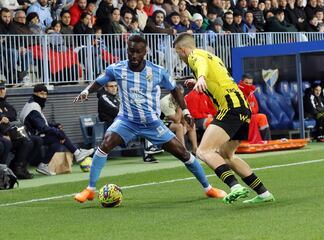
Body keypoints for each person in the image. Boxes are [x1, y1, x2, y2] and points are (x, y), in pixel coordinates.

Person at [73, 35, 226, 203]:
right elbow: (100, 81)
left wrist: (186, 111)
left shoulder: (157, 71)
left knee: (183, 153)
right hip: (127, 121)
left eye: (138, 52)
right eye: (131, 51)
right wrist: (87, 91)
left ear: (145, 52)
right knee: (104, 145)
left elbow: (175, 90)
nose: (134, 55)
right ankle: (90, 189)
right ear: (127, 50)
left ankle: (208, 188)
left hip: (152, 124)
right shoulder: (117, 68)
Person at [173, 33, 275, 204]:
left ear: (183, 50)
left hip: (231, 108)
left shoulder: (194, 56)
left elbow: (201, 65)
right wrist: (198, 80)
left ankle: (235, 186)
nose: (180, 57)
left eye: (178, 53)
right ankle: (264, 193)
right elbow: (217, 78)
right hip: (243, 109)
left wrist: (201, 78)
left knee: (203, 151)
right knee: (227, 155)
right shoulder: (210, 55)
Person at [19, 84, 94, 176]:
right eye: (41, 94)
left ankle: (44, 165)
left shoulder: (33, 104)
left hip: (32, 134)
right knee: (59, 135)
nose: (44, 97)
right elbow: (42, 127)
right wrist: (58, 132)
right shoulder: (34, 107)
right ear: (35, 93)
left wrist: (54, 125)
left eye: (46, 94)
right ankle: (77, 153)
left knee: (57, 140)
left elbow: (42, 123)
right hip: (30, 136)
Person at [238, 73, 272, 141]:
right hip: (240, 118)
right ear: (242, 82)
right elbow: (241, 109)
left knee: (262, 117)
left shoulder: (251, 93)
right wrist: (249, 109)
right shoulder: (237, 92)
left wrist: (250, 109)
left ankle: (266, 142)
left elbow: (256, 109)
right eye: (246, 83)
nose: (248, 85)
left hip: (251, 116)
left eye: (250, 83)